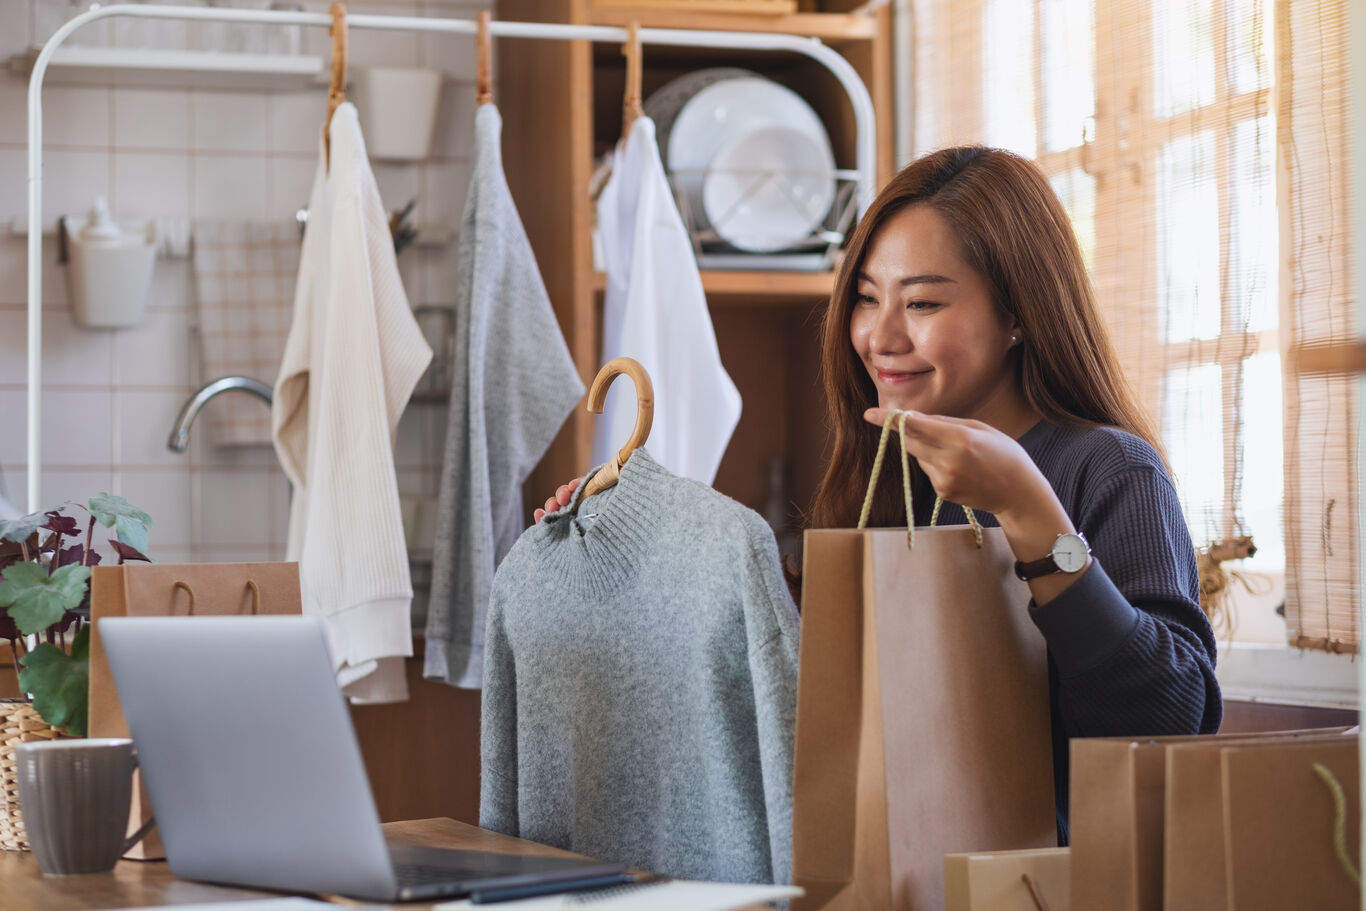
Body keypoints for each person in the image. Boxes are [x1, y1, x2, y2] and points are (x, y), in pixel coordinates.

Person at [537, 146, 1221, 842]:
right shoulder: (885, 472)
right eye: (866, 297)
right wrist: (634, 549)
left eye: (922, 302)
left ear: (1020, 313)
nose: (879, 336)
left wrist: (1027, 508)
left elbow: (1169, 726)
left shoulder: (1108, 469)